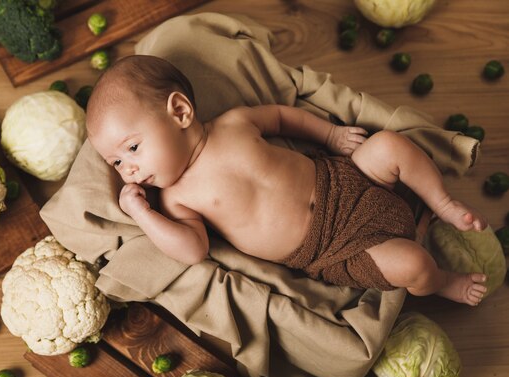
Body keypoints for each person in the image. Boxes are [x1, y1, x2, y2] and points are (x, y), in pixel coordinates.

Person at [86, 55, 488, 306]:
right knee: (413, 263)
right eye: (115, 162)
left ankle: (441, 202)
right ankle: (441, 282)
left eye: (132, 149)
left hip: (345, 177)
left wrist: (329, 135)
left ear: (179, 111)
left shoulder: (234, 123)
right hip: (333, 249)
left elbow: (280, 117)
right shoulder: (176, 199)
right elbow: (192, 250)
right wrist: (142, 213)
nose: (128, 169)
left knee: (388, 145)